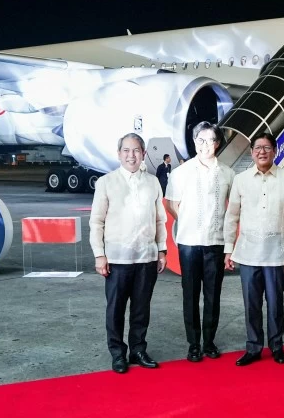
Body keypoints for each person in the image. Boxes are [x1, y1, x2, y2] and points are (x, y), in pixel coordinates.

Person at [89, 133, 168, 374]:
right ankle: (117, 354)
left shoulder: (153, 182)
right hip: (117, 259)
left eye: (136, 150)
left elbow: (160, 220)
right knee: (115, 309)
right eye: (126, 150)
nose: (131, 155)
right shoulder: (106, 182)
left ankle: (138, 349)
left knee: (141, 308)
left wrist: (162, 250)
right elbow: (96, 222)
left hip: (146, 257)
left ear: (143, 154)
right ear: (119, 153)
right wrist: (99, 254)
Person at [224, 131, 284, 366]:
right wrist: (229, 249)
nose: (262, 152)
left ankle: (277, 346)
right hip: (248, 253)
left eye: (267, 148)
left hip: (277, 253)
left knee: (275, 302)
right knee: (251, 303)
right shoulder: (241, 179)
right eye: (257, 148)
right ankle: (253, 347)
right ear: (251, 152)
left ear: (274, 151)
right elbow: (232, 217)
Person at [165, 122, 234, 362]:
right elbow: (172, 206)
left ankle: (209, 342)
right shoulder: (180, 173)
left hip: (216, 243)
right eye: (200, 140)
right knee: (191, 295)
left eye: (210, 141)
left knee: (213, 296)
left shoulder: (227, 173)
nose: (205, 145)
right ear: (194, 142)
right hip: (189, 244)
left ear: (217, 143)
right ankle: (193, 344)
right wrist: (189, 222)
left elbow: (233, 208)